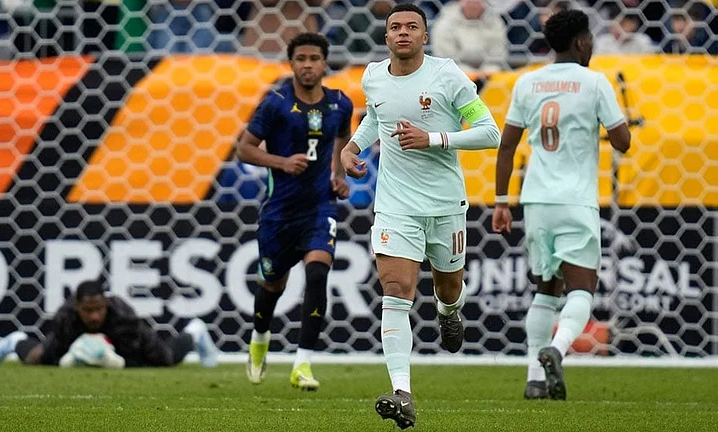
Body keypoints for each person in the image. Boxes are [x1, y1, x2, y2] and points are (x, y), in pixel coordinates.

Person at [340, 4, 500, 428]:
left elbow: (490, 132)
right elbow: (376, 118)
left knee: (449, 288)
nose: (404, 33)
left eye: (413, 27)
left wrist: (434, 138)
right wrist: (352, 147)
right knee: (396, 289)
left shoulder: (447, 76)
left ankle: (450, 314)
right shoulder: (373, 76)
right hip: (395, 205)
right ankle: (402, 392)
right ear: (387, 36)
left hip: (445, 204)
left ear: (425, 36)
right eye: (396, 27)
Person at [492, 9, 631, 400]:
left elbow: (507, 145)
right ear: (582, 41)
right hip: (575, 199)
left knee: (544, 289)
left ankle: (535, 377)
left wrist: (502, 201)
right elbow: (622, 141)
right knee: (581, 290)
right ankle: (559, 345)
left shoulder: (527, 82)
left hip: (535, 198)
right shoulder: (594, 82)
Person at [236, 32, 353, 391]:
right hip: (279, 213)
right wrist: (282, 162)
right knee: (273, 284)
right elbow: (244, 149)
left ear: (324, 63)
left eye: (314, 58)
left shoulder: (339, 103)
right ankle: (259, 339)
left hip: (320, 207)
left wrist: (338, 174)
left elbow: (341, 141)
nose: (307, 65)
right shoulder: (275, 103)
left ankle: (302, 363)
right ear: (291, 63)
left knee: (318, 275)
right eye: (300, 58)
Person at [0, 280, 218, 368]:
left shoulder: (123, 317)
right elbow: (56, 353)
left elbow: (136, 359)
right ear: (77, 308)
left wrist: (109, 360)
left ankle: (194, 332)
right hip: (76, 341)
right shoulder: (66, 317)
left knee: (165, 359)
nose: (94, 317)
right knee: (37, 358)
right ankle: (15, 341)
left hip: (131, 345)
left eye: (99, 310)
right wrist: (69, 360)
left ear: (106, 305)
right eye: (88, 311)